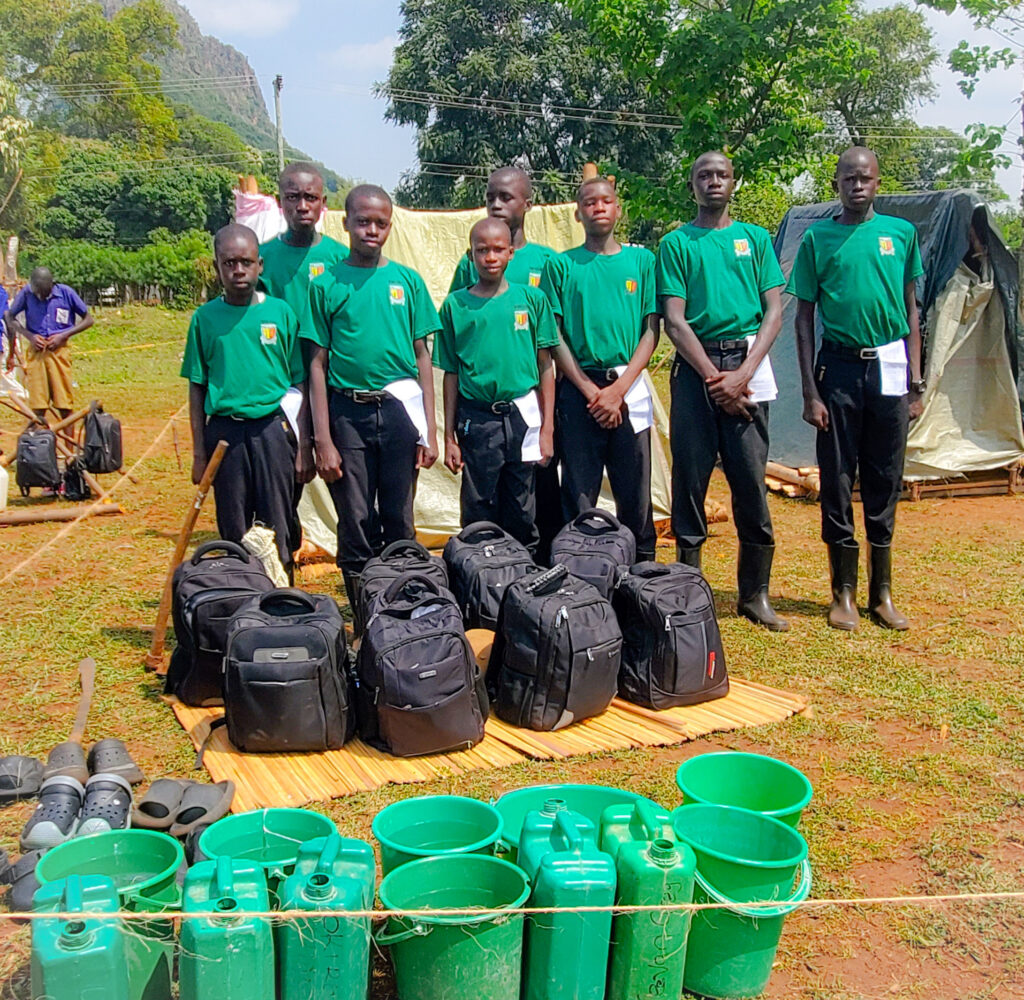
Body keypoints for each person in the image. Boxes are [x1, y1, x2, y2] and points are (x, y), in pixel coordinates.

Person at [789, 146, 924, 631]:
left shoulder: (901, 235)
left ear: (877, 182)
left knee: (884, 478)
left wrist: (916, 382)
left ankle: (881, 592)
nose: (858, 185)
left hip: (890, 368)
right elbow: (803, 319)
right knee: (838, 479)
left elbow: (913, 312)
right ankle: (842, 592)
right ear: (837, 185)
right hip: (839, 371)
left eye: (865, 178)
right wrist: (810, 391)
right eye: (849, 178)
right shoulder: (817, 239)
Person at [658, 151, 788, 631]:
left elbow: (773, 311)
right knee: (689, 482)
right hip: (696, 372)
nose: (713, 182)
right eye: (703, 176)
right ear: (691, 185)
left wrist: (743, 373)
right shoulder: (675, 244)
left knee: (750, 481)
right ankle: (690, 592)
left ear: (735, 182)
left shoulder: (754, 239)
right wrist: (717, 378)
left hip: (748, 366)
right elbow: (674, 317)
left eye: (721, 175)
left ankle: (755, 594)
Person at [306, 184, 439, 602]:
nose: (372, 230)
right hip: (348, 415)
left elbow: (423, 359)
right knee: (356, 517)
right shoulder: (326, 285)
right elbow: (316, 365)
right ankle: (364, 615)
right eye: (362, 221)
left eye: (381, 223)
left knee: (399, 515)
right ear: (345, 223)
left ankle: (401, 609)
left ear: (389, 226)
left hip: (401, 412)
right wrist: (322, 440)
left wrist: (429, 432)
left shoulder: (407, 281)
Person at [542, 177, 659, 561]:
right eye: (589, 203)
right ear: (578, 213)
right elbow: (554, 336)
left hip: (628, 387)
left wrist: (618, 389)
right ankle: (577, 569)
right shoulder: (560, 266)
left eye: (606, 201)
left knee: (635, 490)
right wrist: (592, 391)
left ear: (618, 208)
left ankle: (641, 575)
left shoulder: (642, 262)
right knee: (578, 488)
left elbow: (651, 331)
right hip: (579, 392)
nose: (598, 208)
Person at [449, 166, 564, 557]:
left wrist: (547, 425)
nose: (490, 256)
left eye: (506, 197)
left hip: (525, 413)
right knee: (480, 505)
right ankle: (478, 581)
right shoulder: (460, 294)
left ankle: (526, 582)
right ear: (472, 254)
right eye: (490, 197)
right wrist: (449, 433)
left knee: (525, 503)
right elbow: (454, 359)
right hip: (478, 415)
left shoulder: (539, 279)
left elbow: (548, 355)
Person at [181, 223, 304, 575]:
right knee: (233, 521)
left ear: (259, 265)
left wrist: (302, 442)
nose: (238, 270)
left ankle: (283, 596)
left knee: (278, 518)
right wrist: (199, 452)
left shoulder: (280, 313)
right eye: (229, 262)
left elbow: (298, 382)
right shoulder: (204, 319)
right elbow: (196, 386)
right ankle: (242, 592)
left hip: (272, 429)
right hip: (224, 433)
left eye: (246, 262)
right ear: (217, 266)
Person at [259, 161, 349, 547]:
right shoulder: (260, 259)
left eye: (310, 197)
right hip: (281, 391)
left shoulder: (341, 257)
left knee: (347, 491)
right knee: (282, 491)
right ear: (280, 202)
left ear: (323, 203)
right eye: (293, 197)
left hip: (334, 389)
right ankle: (280, 571)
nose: (302, 205)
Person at [3, 268, 93, 421]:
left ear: (51, 285)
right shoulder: (26, 293)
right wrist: (30, 336)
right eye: (36, 292)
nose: (39, 296)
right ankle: (40, 443)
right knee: (38, 408)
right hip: (36, 354)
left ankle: (68, 445)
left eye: (42, 293)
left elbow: (88, 320)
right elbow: (9, 317)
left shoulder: (66, 293)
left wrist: (63, 336)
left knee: (64, 406)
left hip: (59, 353)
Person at [448, 167, 556, 292]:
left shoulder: (547, 261)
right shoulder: (472, 262)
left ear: (527, 205)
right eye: (490, 199)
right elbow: (456, 307)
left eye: (506, 198)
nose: (496, 205)